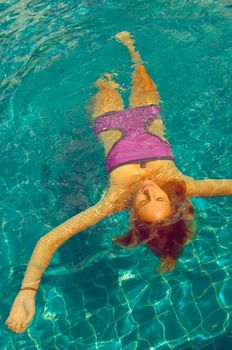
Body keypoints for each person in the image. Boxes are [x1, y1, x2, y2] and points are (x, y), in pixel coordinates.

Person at [5, 31, 232, 334]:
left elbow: (51, 239)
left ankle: (91, 40)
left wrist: (28, 291)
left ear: (132, 212)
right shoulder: (180, 184)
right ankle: (130, 44)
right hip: (149, 115)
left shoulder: (113, 200)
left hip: (109, 121)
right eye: (158, 199)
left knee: (104, 77)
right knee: (137, 66)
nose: (150, 192)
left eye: (143, 202)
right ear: (171, 201)